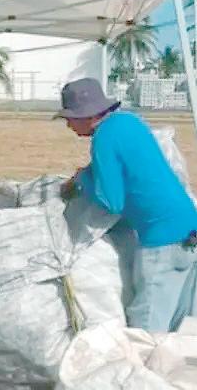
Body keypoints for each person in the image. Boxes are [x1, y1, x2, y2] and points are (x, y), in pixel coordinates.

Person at [58, 78, 197, 333]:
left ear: (87, 115)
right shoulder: (129, 121)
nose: (68, 125)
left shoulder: (103, 138)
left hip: (163, 240)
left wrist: (81, 183)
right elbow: (130, 164)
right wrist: (89, 174)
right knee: (179, 327)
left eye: (70, 118)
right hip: (189, 229)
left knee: (147, 331)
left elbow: (112, 201)